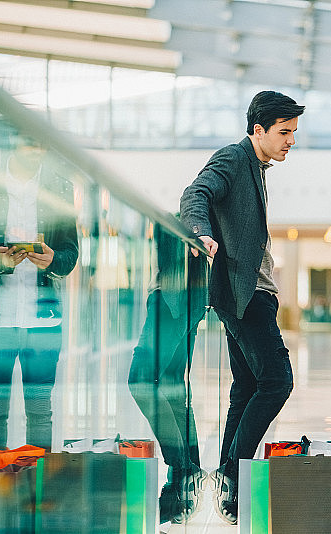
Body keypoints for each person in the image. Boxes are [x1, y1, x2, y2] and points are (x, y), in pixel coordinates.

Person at [179, 90, 304, 525]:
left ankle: (226, 483)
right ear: (258, 130)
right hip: (246, 295)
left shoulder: (257, 166)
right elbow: (196, 193)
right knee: (277, 381)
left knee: (247, 388)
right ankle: (233, 475)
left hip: (249, 293)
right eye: (284, 133)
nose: (291, 140)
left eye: (293, 132)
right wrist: (199, 230)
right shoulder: (233, 159)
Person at [0, 128, 78, 453]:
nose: (37, 148)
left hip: (43, 320)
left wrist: (52, 261)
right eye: (31, 139)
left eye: (42, 142)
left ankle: (35, 492)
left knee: (40, 413)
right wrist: (0, 262)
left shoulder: (60, 188)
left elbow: (70, 254)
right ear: (12, 141)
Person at [127, 219, 208, 525]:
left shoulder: (186, 210)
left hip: (171, 298)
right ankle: (184, 480)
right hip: (190, 299)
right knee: (173, 387)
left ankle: (183, 470)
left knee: (141, 380)